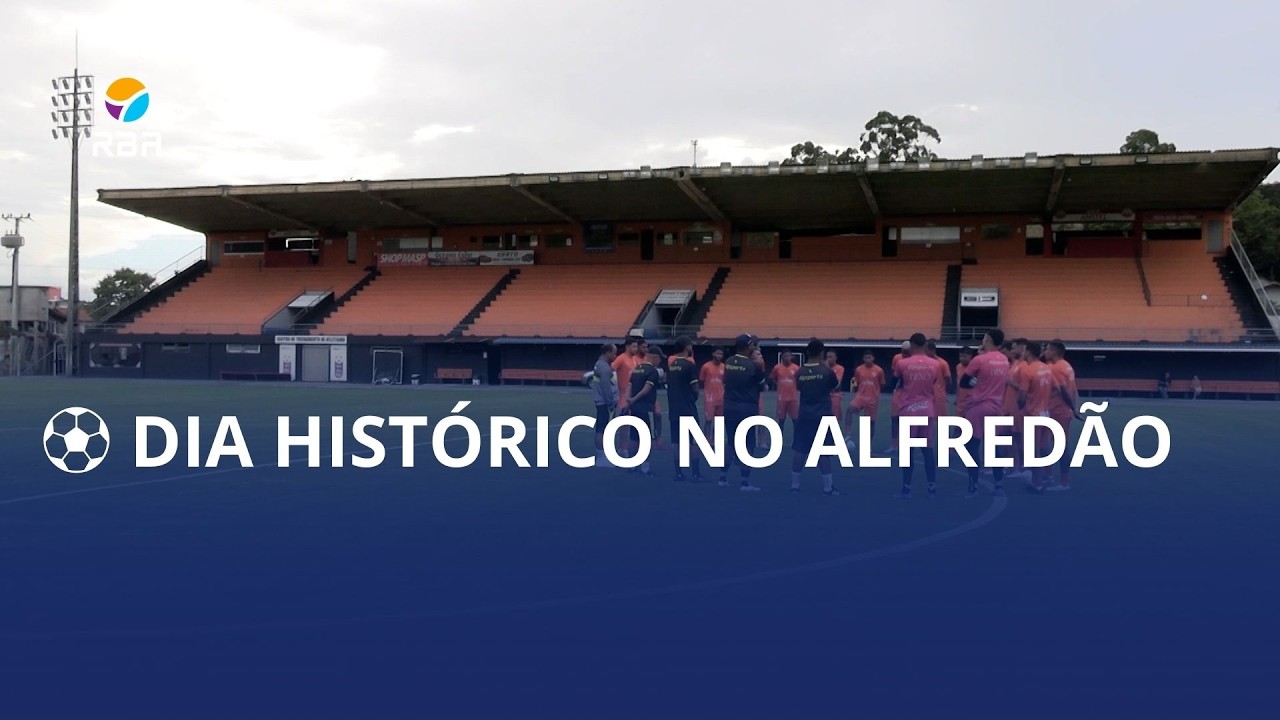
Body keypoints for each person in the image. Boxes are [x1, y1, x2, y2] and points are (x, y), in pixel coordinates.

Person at [960, 329, 1012, 498]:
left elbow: (964, 382)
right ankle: (999, 484)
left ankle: (973, 486)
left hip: (979, 406)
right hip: (996, 407)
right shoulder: (1004, 360)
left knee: (971, 446)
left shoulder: (979, 360)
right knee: (993, 446)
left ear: (988, 340)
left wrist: (977, 382)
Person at [790, 339, 840, 496]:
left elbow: (799, 387)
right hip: (822, 415)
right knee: (823, 451)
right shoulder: (826, 372)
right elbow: (835, 386)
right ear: (821, 353)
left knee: (800, 450)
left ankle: (795, 485)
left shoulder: (799, 372)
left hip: (804, 415)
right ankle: (828, 487)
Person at [893, 333, 940, 499]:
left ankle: (907, 488)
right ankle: (931, 488)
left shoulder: (902, 363)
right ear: (926, 345)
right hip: (927, 409)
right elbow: (933, 382)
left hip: (908, 410)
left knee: (907, 452)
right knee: (928, 450)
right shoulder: (935, 364)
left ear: (911, 345)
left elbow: (897, 382)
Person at [722, 333, 766, 492]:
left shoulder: (728, 362)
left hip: (729, 407)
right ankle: (744, 482)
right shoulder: (754, 365)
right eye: (752, 345)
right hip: (747, 408)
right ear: (748, 347)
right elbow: (762, 386)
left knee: (731, 443)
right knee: (748, 445)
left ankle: (722, 477)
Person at [1011, 341, 1057, 493]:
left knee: (1033, 451)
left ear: (1028, 352)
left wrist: (1022, 406)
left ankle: (1036, 482)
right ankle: (1043, 476)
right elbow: (1056, 389)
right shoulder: (1047, 368)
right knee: (1043, 448)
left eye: (1024, 350)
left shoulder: (1028, 370)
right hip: (1045, 413)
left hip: (1032, 414)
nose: (1022, 353)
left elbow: (1022, 396)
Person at [665, 335, 703, 482]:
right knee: (694, 441)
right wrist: (693, 398)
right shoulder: (689, 365)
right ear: (686, 347)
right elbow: (695, 389)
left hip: (674, 409)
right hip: (687, 409)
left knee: (676, 441)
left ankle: (678, 473)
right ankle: (695, 473)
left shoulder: (672, 365)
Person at [1043, 340, 1080, 491]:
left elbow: (1064, 391)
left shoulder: (1056, 368)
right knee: (1051, 444)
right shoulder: (1067, 366)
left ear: (1054, 352)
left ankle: (1063, 482)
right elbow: (1074, 389)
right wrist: (1075, 408)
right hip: (1062, 411)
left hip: (1057, 411)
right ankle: (1049, 476)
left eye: (1047, 350)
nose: (1045, 352)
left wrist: (1073, 407)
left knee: (1058, 446)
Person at [625, 349, 662, 477]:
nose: (660, 361)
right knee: (647, 438)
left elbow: (629, 387)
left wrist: (629, 401)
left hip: (634, 409)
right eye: (659, 358)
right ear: (654, 357)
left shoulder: (636, 369)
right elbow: (647, 389)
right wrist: (634, 399)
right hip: (646, 408)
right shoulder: (653, 371)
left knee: (634, 437)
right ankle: (645, 467)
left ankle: (631, 466)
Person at [1002, 337, 1030, 482]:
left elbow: (1026, 389)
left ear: (1022, 348)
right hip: (1009, 407)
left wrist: (1010, 383)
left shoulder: (1024, 366)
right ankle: (1013, 466)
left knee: (1019, 439)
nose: (1012, 351)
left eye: (1014, 348)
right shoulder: (1015, 364)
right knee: (1010, 438)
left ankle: (1022, 467)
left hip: (1018, 408)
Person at [846, 350, 885, 449]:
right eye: (866, 357)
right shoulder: (859, 369)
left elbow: (882, 383)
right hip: (861, 397)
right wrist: (856, 390)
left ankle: (868, 444)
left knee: (870, 422)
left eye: (870, 357)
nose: (868, 359)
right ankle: (848, 434)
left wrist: (876, 392)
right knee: (850, 408)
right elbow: (856, 382)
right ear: (863, 359)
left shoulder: (879, 370)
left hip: (872, 399)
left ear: (873, 358)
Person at [611, 337, 642, 456]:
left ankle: (630, 447)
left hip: (634, 396)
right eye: (633, 346)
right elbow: (611, 371)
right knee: (623, 423)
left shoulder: (635, 359)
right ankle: (622, 448)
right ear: (627, 346)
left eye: (636, 346)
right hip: (623, 396)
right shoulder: (621, 358)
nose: (635, 349)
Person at [590, 343, 618, 468]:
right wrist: (610, 402)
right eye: (613, 353)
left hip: (600, 401)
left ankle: (601, 457)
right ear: (607, 353)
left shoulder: (599, 364)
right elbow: (606, 387)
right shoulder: (604, 367)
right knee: (602, 429)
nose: (615, 355)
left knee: (601, 428)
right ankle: (601, 458)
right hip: (604, 402)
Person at [885, 340, 910, 455]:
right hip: (899, 392)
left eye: (907, 352)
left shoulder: (914, 360)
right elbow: (894, 374)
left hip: (910, 393)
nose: (904, 354)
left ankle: (908, 445)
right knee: (895, 418)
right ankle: (894, 444)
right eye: (903, 351)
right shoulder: (897, 358)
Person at [770, 350, 800, 436]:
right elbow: (773, 378)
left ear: (791, 357)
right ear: (782, 357)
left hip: (793, 398)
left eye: (788, 356)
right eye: (785, 356)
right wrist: (778, 384)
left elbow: (799, 379)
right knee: (781, 420)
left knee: (795, 420)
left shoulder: (796, 368)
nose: (787, 358)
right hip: (781, 398)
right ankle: (779, 438)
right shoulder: (777, 368)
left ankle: (797, 439)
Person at [699, 347, 726, 434]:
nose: (719, 356)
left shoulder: (724, 367)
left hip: (721, 398)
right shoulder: (706, 366)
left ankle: (716, 441)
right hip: (709, 398)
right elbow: (702, 380)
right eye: (717, 353)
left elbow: (725, 382)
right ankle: (707, 441)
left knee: (719, 422)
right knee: (708, 420)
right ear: (713, 354)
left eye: (721, 354)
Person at [926, 339, 952, 417]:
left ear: (932, 350)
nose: (925, 353)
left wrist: (944, 392)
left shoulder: (943, 363)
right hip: (927, 396)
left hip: (939, 397)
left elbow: (948, 380)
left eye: (926, 351)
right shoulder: (924, 363)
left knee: (940, 420)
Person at [954, 346, 974, 418]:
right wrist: (957, 397)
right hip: (961, 401)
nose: (962, 358)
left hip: (972, 401)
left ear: (970, 356)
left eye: (964, 356)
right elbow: (958, 383)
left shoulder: (975, 367)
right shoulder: (958, 366)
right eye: (960, 356)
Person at [826, 350, 846, 420]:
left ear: (835, 358)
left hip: (835, 394)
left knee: (834, 416)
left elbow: (836, 383)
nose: (829, 359)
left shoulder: (840, 368)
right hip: (824, 395)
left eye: (831, 357)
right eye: (827, 357)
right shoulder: (822, 367)